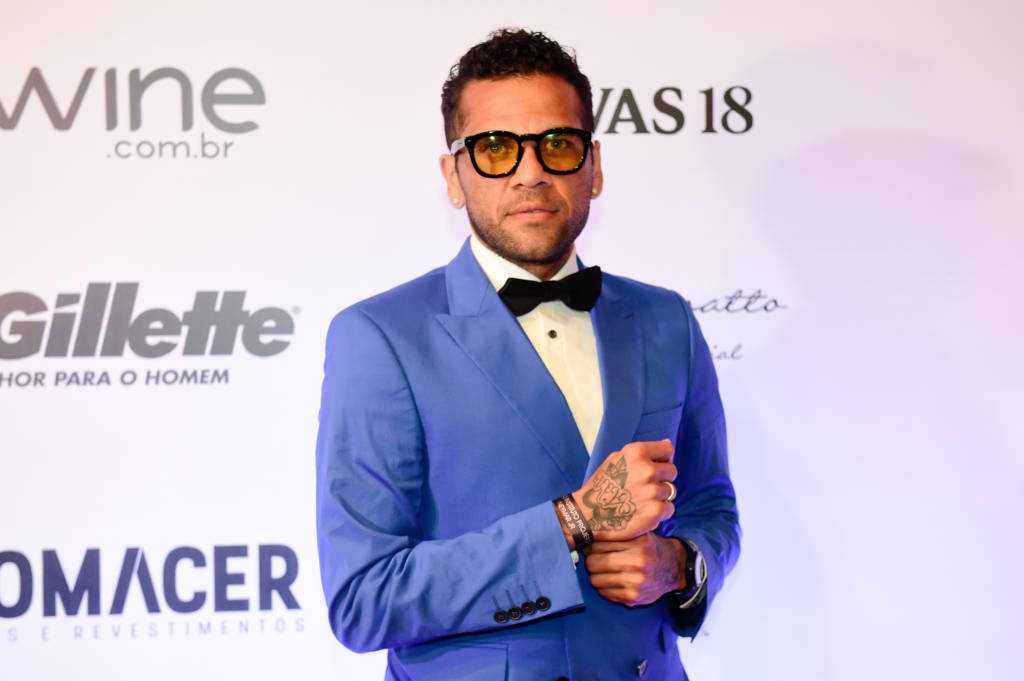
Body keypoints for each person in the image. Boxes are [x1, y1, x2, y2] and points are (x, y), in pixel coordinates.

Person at [316, 28, 740, 681]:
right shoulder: (381, 338)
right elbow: (363, 599)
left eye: (558, 144)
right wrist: (574, 520)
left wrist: (680, 565)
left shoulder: (666, 321)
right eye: (495, 148)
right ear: (453, 176)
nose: (531, 171)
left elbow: (712, 507)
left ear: (594, 166)